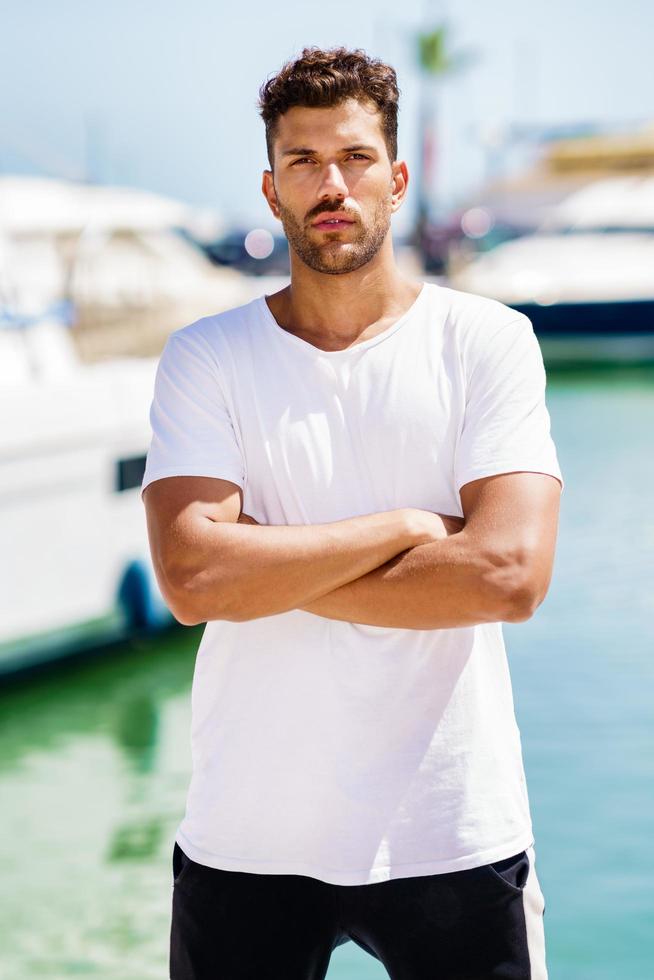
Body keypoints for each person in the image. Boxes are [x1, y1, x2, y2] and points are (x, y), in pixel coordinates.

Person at [142, 45, 563, 980]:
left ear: (397, 177)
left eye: (355, 158)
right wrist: (406, 527)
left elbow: (507, 575)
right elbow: (193, 578)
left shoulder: (486, 343)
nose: (331, 183)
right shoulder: (207, 357)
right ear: (271, 189)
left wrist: (263, 569)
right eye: (303, 162)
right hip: (248, 832)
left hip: (452, 829)